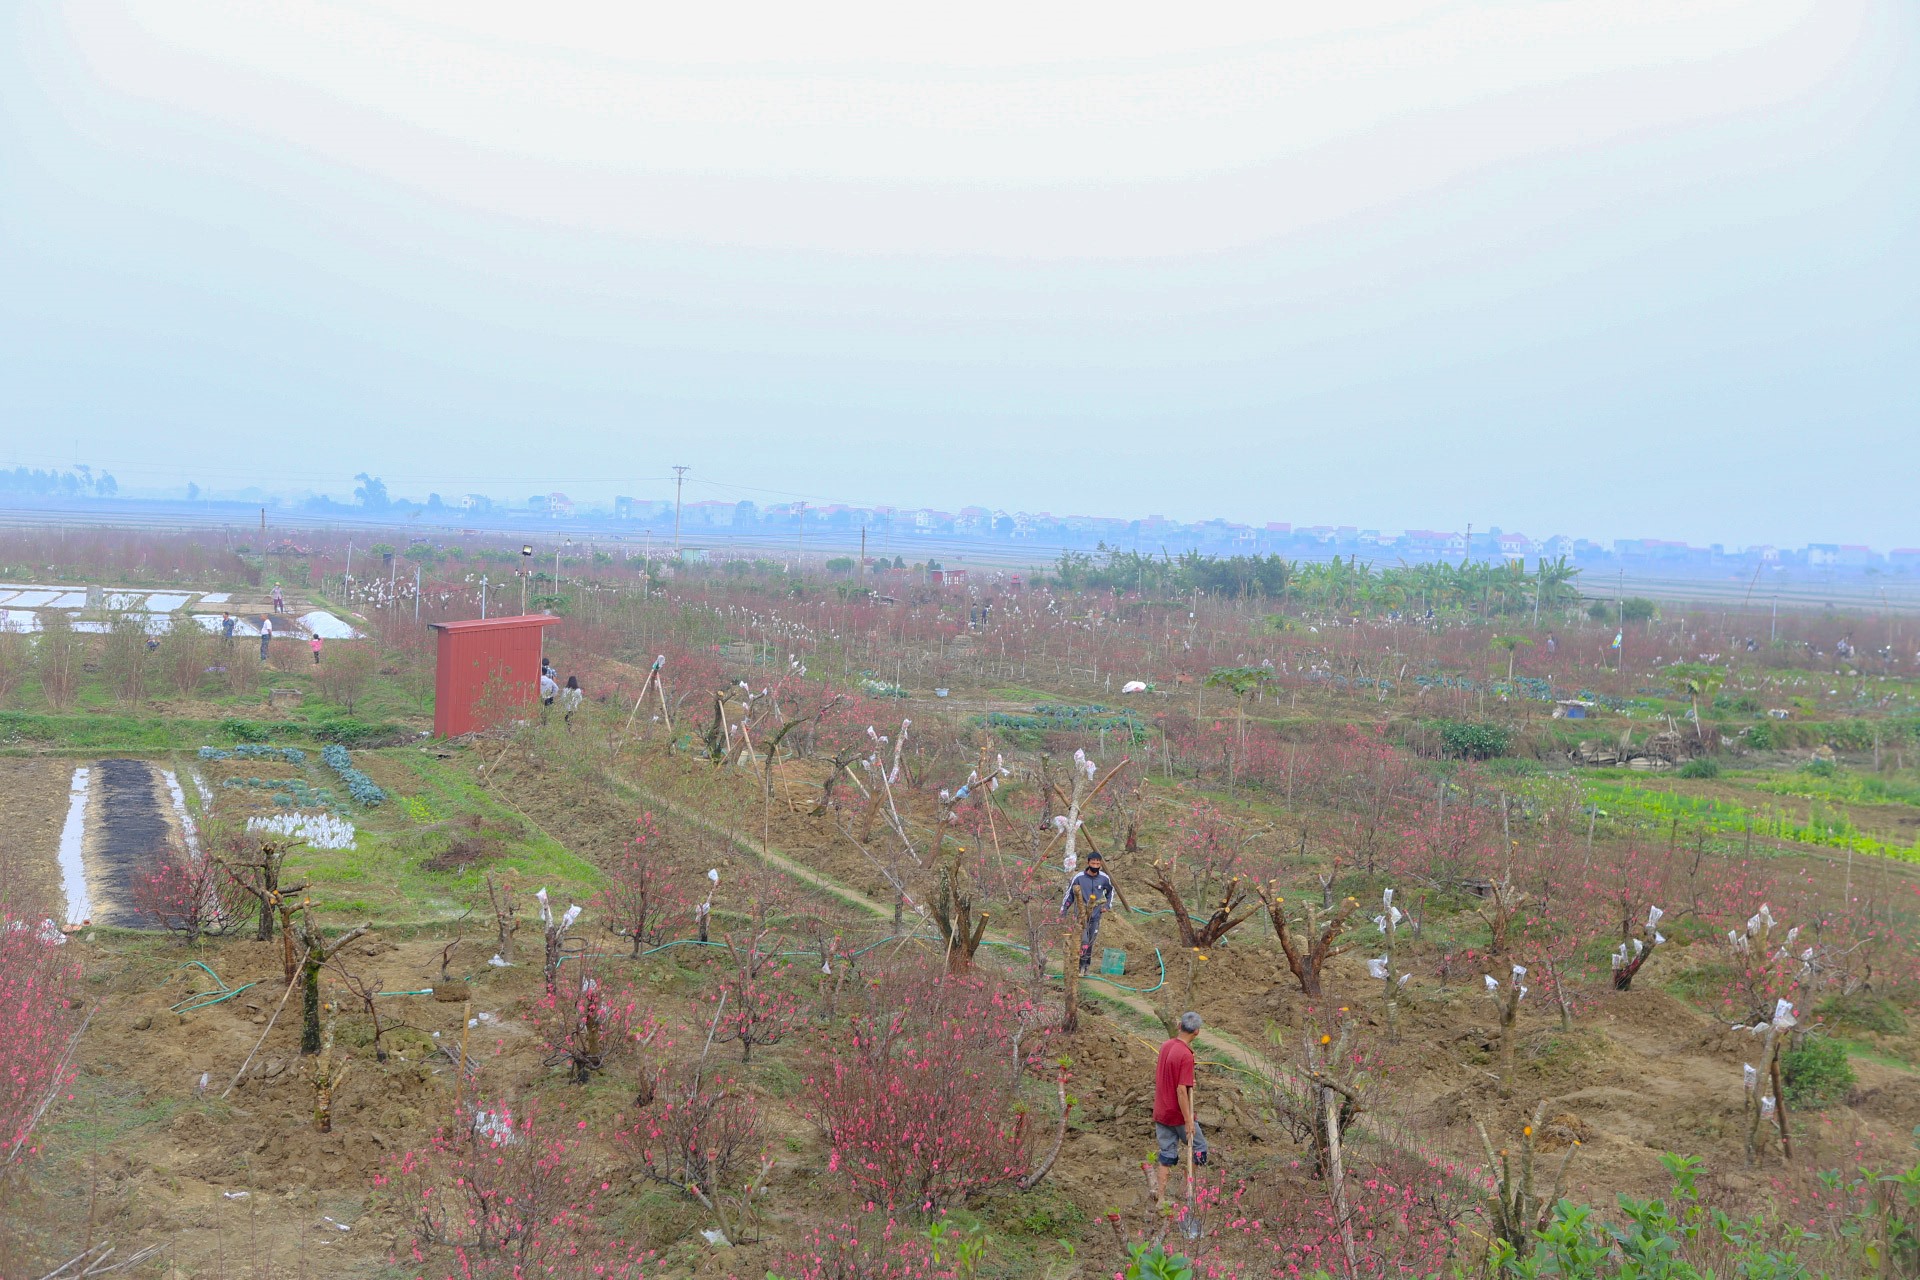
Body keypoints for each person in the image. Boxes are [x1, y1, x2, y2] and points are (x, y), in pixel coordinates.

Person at [1153, 1011, 1207, 1205]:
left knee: (1166, 1154)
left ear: (1179, 1027)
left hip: (1161, 1110)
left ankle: (1160, 1197)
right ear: (1197, 1032)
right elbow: (1181, 1091)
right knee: (1199, 1148)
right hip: (1177, 1114)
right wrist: (1188, 1121)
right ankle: (1189, 1191)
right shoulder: (1186, 1055)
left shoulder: (1165, 1045)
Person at [1060, 851, 1115, 977]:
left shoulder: (1104, 878)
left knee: (1090, 942)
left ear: (1100, 864)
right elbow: (1069, 896)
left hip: (1095, 916)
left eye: (1097, 863)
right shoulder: (1079, 877)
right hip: (1080, 916)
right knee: (1083, 941)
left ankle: (1086, 966)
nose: (1095, 865)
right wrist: (1063, 911)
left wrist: (1106, 905)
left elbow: (1111, 892)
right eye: (1093, 863)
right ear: (1088, 863)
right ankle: (1079, 967)